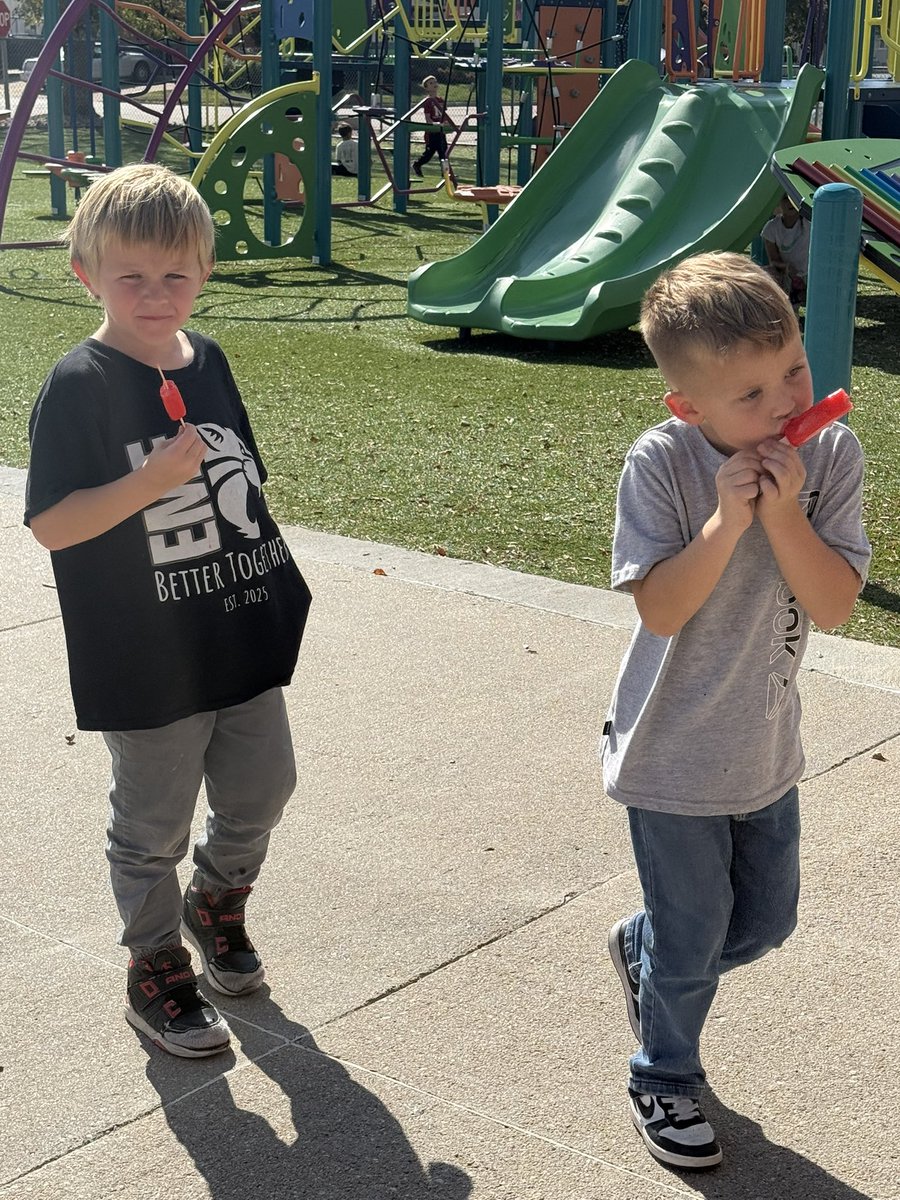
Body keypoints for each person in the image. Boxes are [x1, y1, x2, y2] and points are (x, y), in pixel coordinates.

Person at [24, 163, 312, 1059]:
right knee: (151, 823)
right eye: (131, 276)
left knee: (264, 789)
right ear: (86, 273)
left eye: (175, 275)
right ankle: (154, 965)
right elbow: (51, 525)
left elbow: (239, 474)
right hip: (143, 656)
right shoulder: (79, 383)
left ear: (206, 272)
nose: (155, 295)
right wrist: (146, 484)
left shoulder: (210, 358)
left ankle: (216, 903)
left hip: (233, 628)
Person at [602, 252, 869, 1170]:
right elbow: (662, 610)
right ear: (692, 409)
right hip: (670, 756)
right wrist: (727, 521)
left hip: (764, 747)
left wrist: (786, 516)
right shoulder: (663, 464)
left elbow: (832, 605)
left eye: (793, 369)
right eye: (751, 396)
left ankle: (642, 952)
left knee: (761, 924)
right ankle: (663, 1074)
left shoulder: (829, 453)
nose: (786, 405)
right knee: (693, 940)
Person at [763, 194, 811, 308]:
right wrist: (787, 267)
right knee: (770, 272)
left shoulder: (808, 224)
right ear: (778, 203)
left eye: (793, 198)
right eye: (785, 198)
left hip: (809, 273)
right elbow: (773, 260)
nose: (790, 202)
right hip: (788, 274)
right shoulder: (771, 228)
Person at [412, 75, 456, 179]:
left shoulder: (440, 100)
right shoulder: (427, 101)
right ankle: (417, 164)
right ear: (426, 88)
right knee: (429, 154)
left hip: (440, 131)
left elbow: (443, 115)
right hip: (432, 132)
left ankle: (445, 173)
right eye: (431, 83)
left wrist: (446, 124)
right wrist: (435, 124)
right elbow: (428, 118)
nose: (434, 84)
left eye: (435, 82)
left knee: (444, 153)